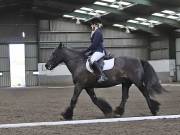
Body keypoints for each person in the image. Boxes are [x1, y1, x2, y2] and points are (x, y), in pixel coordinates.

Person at [84, 17, 108, 83]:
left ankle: (103, 76)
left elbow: (94, 44)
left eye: (92, 25)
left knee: (92, 60)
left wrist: (85, 51)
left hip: (100, 51)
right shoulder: (95, 32)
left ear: (95, 25)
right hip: (96, 50)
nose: (91, 26)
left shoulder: (98, 32)